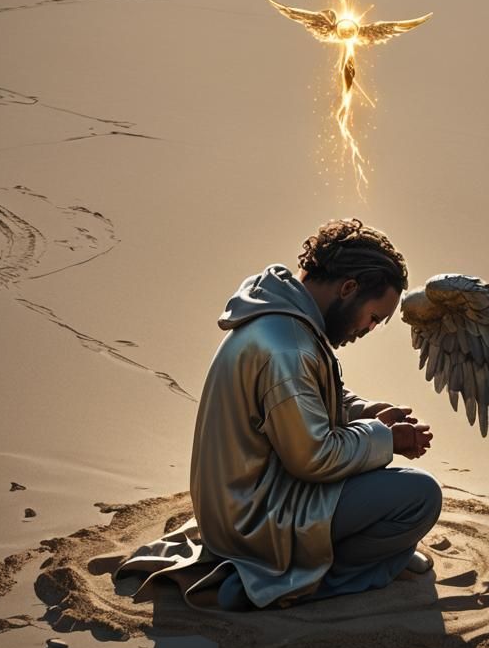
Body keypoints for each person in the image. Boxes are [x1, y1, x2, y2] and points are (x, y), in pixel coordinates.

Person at [118, 218, 441, 612]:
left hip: (248, 499)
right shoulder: (287, 346)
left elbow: (314, 402)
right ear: (348, 289)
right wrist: (389, 440)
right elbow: (314, 457)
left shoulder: (285, 321)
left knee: (377, 463)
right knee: (419, 496)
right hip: (253, 520)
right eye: (373, 317)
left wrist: (369, 413)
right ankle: (312, 580)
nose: (368, 329)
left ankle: (375, 554)